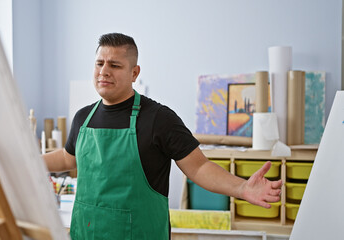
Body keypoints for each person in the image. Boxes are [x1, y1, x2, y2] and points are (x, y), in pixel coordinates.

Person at [43, 33, 282, 239]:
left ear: (134, 72)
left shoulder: (159, 119)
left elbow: (198, 168)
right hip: (87, 233)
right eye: (99, 63)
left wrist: (242, 188)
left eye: (114, 65)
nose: (104, 71)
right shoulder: (83, 117)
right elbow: (68, 158)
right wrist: (27, 160)